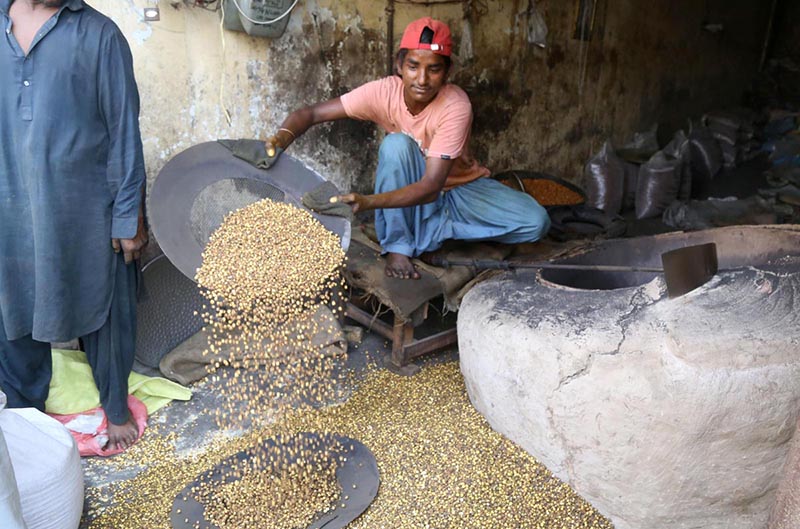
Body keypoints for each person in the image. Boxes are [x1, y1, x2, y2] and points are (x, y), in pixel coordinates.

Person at [266, 17, 550, 279]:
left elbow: (431, 186)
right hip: (418, 186)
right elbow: (312, 114)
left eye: (434, 69)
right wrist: (280, 139)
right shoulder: (383, 92)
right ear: (399, 66)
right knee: (396, 145)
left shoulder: (456, 105)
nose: (422, 79)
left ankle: (431, 230)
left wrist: (369, 202)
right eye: (413, 67)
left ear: (447, 71)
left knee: (536, 222)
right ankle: (401, 246)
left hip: (459, 189)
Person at [0, 0, 147, 451]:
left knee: (105, 306)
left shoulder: (100, 35)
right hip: (11, 203)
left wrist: (127, 215)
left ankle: (115, 407)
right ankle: (26, 418)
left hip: (84, 209)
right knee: (13, 310)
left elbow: (124, 130)